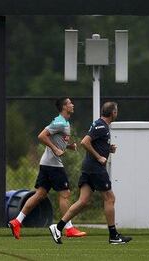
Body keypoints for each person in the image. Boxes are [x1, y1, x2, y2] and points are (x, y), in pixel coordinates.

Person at [48, 102, 132, 245]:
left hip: (89, 168)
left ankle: (58, 227)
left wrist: (107, 148)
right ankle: (113, 236)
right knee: (110, 198)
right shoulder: (101, 126)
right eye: (116, 111)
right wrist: (99, 157)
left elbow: (93, 142)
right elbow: (85, 142)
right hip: (95, 168)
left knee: (83, 201)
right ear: (113, 113)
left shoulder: (101, 125)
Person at [8, 97, 87, 240]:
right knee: (65, 194)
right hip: (53, 165)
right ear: (64, 107)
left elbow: (56, 139)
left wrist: (68, 146)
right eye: (70, 103)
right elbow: (41, 136)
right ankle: (68, 228)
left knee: (40, 195)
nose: (73, 105)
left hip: (46, 163)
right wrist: (56, 149)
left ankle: (17, 221)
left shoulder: (64, 122)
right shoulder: (59, 122)